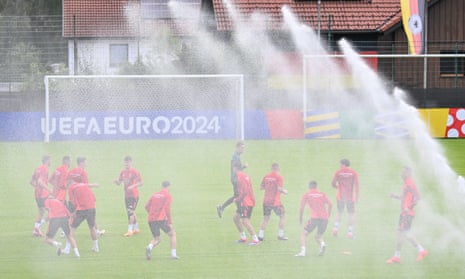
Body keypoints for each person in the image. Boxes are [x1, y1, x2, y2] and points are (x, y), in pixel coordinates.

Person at [386, 166, 428, 264]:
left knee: (402, 234)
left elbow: (417, 198)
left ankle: (399, 256)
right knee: (404, 234)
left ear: (408, 173)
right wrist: (395, 196)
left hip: (407, 214)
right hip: (405, 213)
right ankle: (420, 251)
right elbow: (404, 197)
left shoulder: (410, 183)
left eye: (403, 172)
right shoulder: (407, 184)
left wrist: (408, 208)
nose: (401, 174)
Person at [68, 156, 105, 236]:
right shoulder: (82, 172)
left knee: (71, 215)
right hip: (82, 199)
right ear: (81, 163)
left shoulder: (71, 172)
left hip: (72, 196)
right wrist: (94, 185)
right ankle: (96, 231)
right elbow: (85, 185)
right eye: (85, 162)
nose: (86, 164)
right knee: (90, 214)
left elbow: (68, 183)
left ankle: (65, 231)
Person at [295, 180, 332, 257]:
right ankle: (322, 244)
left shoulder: (307, 195)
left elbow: (302, 208)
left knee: (304, 234)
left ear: (309, 187)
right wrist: (328, 215)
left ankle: (302, 252)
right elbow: (330, 204)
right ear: (316, 186)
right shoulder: (322, 194)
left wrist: (300, 218)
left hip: (314, 219)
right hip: (324, 219)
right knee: (318, 236)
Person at [145, 181, 179, 260]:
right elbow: (167, 209)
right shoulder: (168, 196)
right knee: (172, 234)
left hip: (151, 219)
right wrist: (170, 222)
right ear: (169, 187)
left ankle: (149, 247)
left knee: (157, 239)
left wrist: (151, 214)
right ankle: (173, 255)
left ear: (162, 186)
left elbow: (146, 206)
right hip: (161, 219)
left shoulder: (154, 195)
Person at [67, 177, 100, 253]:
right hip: (91, 208)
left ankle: (67, 248)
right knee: (92, 228)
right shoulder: (82, 184)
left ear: (69, 185)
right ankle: (96, 247)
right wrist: (95, 185)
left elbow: (72, 202)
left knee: (72, 228)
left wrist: (72, 214)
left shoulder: (71, 188)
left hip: (81, 210)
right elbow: (89, 185)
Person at [258, 163, 288, 241]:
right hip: (275, 202)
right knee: (282, 216)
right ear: (278, 168)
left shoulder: (266, 176)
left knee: (266, 218)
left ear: (271, 168)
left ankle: (260, 236)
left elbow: (261, 187)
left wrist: (269, 188)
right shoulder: (279, 177)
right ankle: (280, 235)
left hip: (266, 201)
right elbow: (279, 188)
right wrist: (284, 191)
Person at [217, 141, 248, 218]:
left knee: (237, 195)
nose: (242, 150)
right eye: (241, 148)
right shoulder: (235, 157)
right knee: (238, 196)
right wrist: (244, 167)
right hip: (236, 179)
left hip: (235, 179)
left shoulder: (236, 156)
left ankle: (223, 208)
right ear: (237, 147)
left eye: (243, 148)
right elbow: (235, 170)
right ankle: (239, 211)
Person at [114, 155, 143, 237]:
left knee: (130, 212)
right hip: (126, 195)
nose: (126, 164)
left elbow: (141, 182)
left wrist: (133, 186)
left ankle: (130, 231)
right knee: (131, 211)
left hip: (134, 195)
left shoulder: (134, 172)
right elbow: (119, 182)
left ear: (131, 162)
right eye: (125, 162)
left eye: (128, 162)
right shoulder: (123, 172)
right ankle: (136, 229)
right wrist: (116, 182)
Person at [331, 158, 359, 238]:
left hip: (340, 197)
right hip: (350, 198)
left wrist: (338, 187)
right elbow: (357, 185)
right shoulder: (353, 173)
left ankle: (335, 228)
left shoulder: (338, 172)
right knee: (351, 214)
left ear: (343, 164)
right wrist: (357, 197)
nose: (339, 166)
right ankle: (350, 233)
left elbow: (333, 183)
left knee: (339, 212)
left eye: (340, 164)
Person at [233, 162, 260, 245]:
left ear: (235, 168)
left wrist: (238, 199)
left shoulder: (240, 177)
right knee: (236, 217)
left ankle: (256, 240)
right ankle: (243, 237)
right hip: (247, 200)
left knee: (245, 221)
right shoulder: (245, 175)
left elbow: (244, 191)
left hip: (246, 202)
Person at [30, 155, 52, 237]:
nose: (51, 162)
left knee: (41, 212)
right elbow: (39, 181)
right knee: (52, 211)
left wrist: (37, 188)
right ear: (47, 160)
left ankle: (36, 230)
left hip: (37, 194)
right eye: (50, 160)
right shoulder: (44, 169)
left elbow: (31, 181)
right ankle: (39, 228)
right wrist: (48, 189)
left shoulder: (37, 169)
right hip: (43, 194)